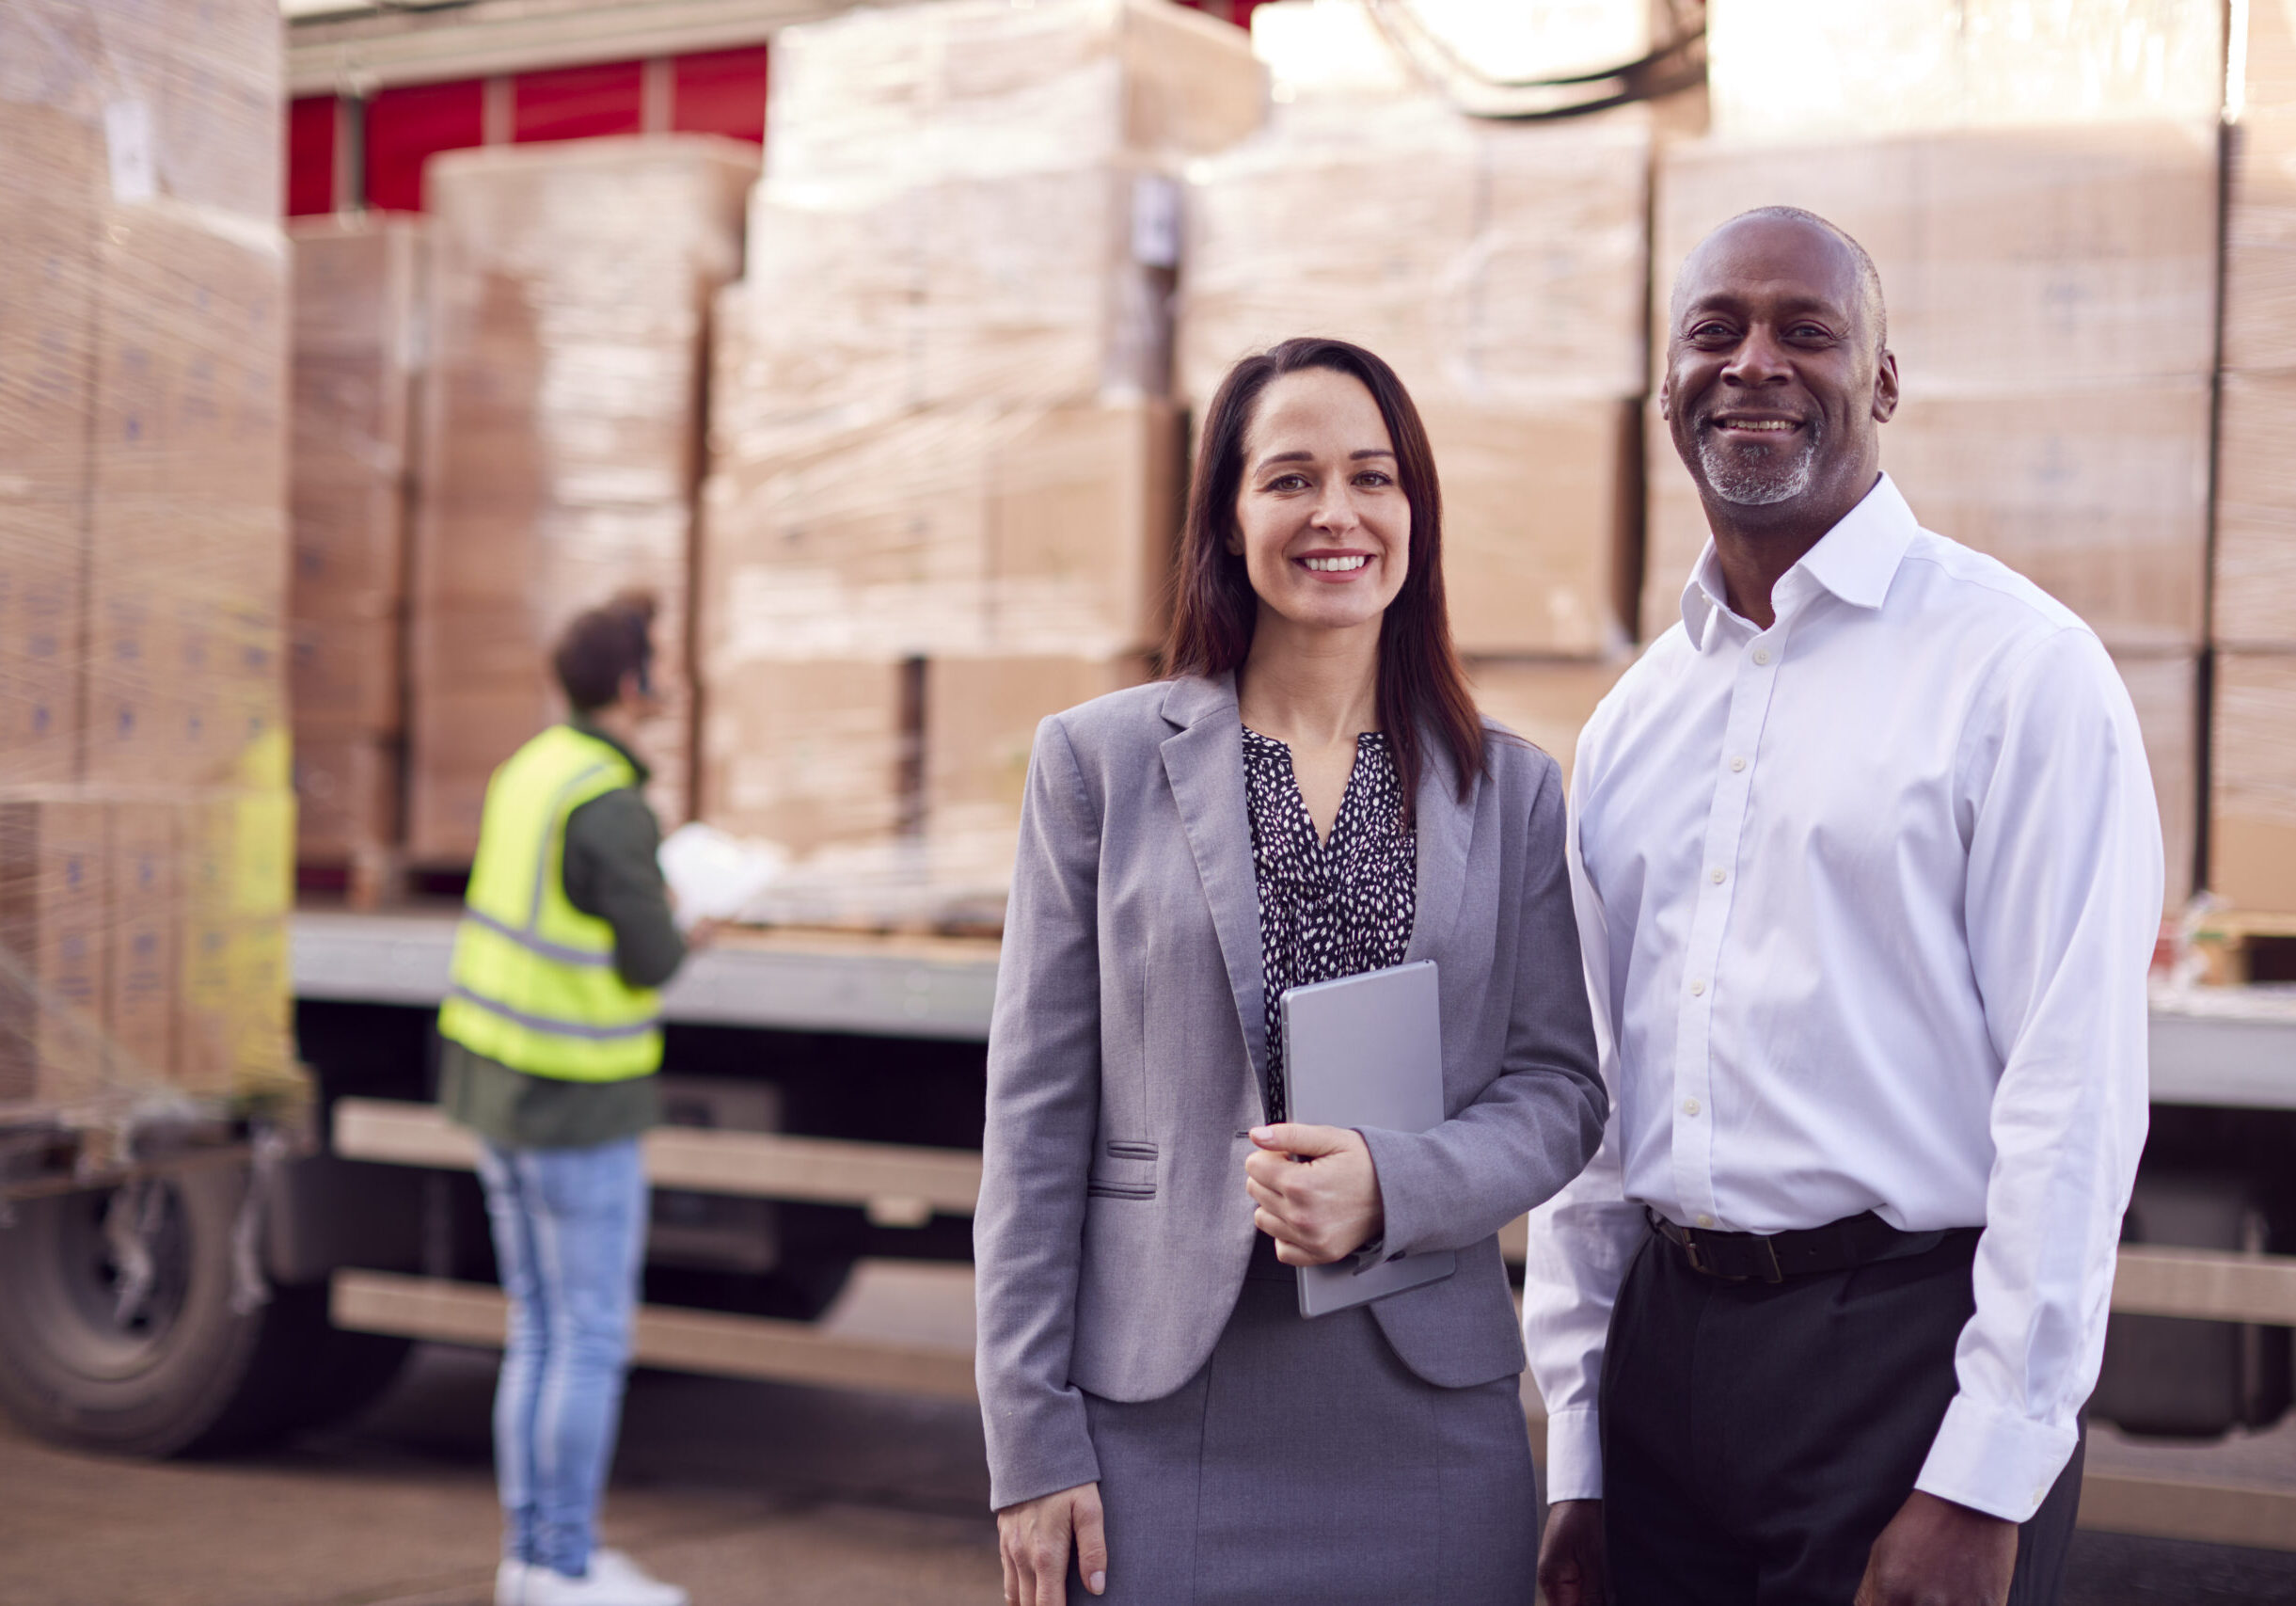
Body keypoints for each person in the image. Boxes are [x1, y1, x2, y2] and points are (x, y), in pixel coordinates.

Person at [1524, 207, 2162, 1606]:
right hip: (1665, 1366)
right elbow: (1596, 1118)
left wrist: (1982, 1474)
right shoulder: (1633, 721)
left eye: (1804, 331)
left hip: (1904, 1362)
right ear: (1666, 381)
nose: (1753, 363)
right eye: (1715, 330)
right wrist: (1578, 1451)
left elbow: (2073, 1102)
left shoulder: (2018, 673)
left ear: (1881, 381)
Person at [974, 336, 1606, 1606]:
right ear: (1227, 514)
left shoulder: (1515, 785)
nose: (1336, 513)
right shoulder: (1097, 763)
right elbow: (1035, 1123)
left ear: (1413, 511)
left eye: (1372, 476)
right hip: (1161, 1403)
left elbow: (1559, 1088)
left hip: (1424, 1406)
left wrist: (1398, 1178)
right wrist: (1027, 1440)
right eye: (1290, 477)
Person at [438, 591, 701, 1606]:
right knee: (587, 1337)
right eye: (662, 660)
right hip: (573, 1102)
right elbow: (651, 960)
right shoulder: (610, 802)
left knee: (539, 1329)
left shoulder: (534, 771)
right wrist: (695, 927)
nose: (670, 675)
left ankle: (534, 1558)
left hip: (493, 1084)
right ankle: (561, 1566)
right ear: (633, 685)